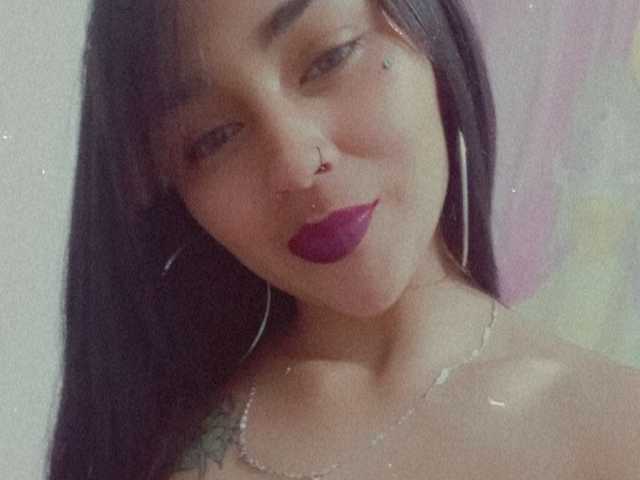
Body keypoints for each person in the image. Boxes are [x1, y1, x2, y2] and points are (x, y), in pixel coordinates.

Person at [46, 0, 640, 479]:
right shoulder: (153, 437)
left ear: (424, 25)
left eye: (330, 57)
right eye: (214, 136)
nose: (295, 162)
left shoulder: (617, 430)